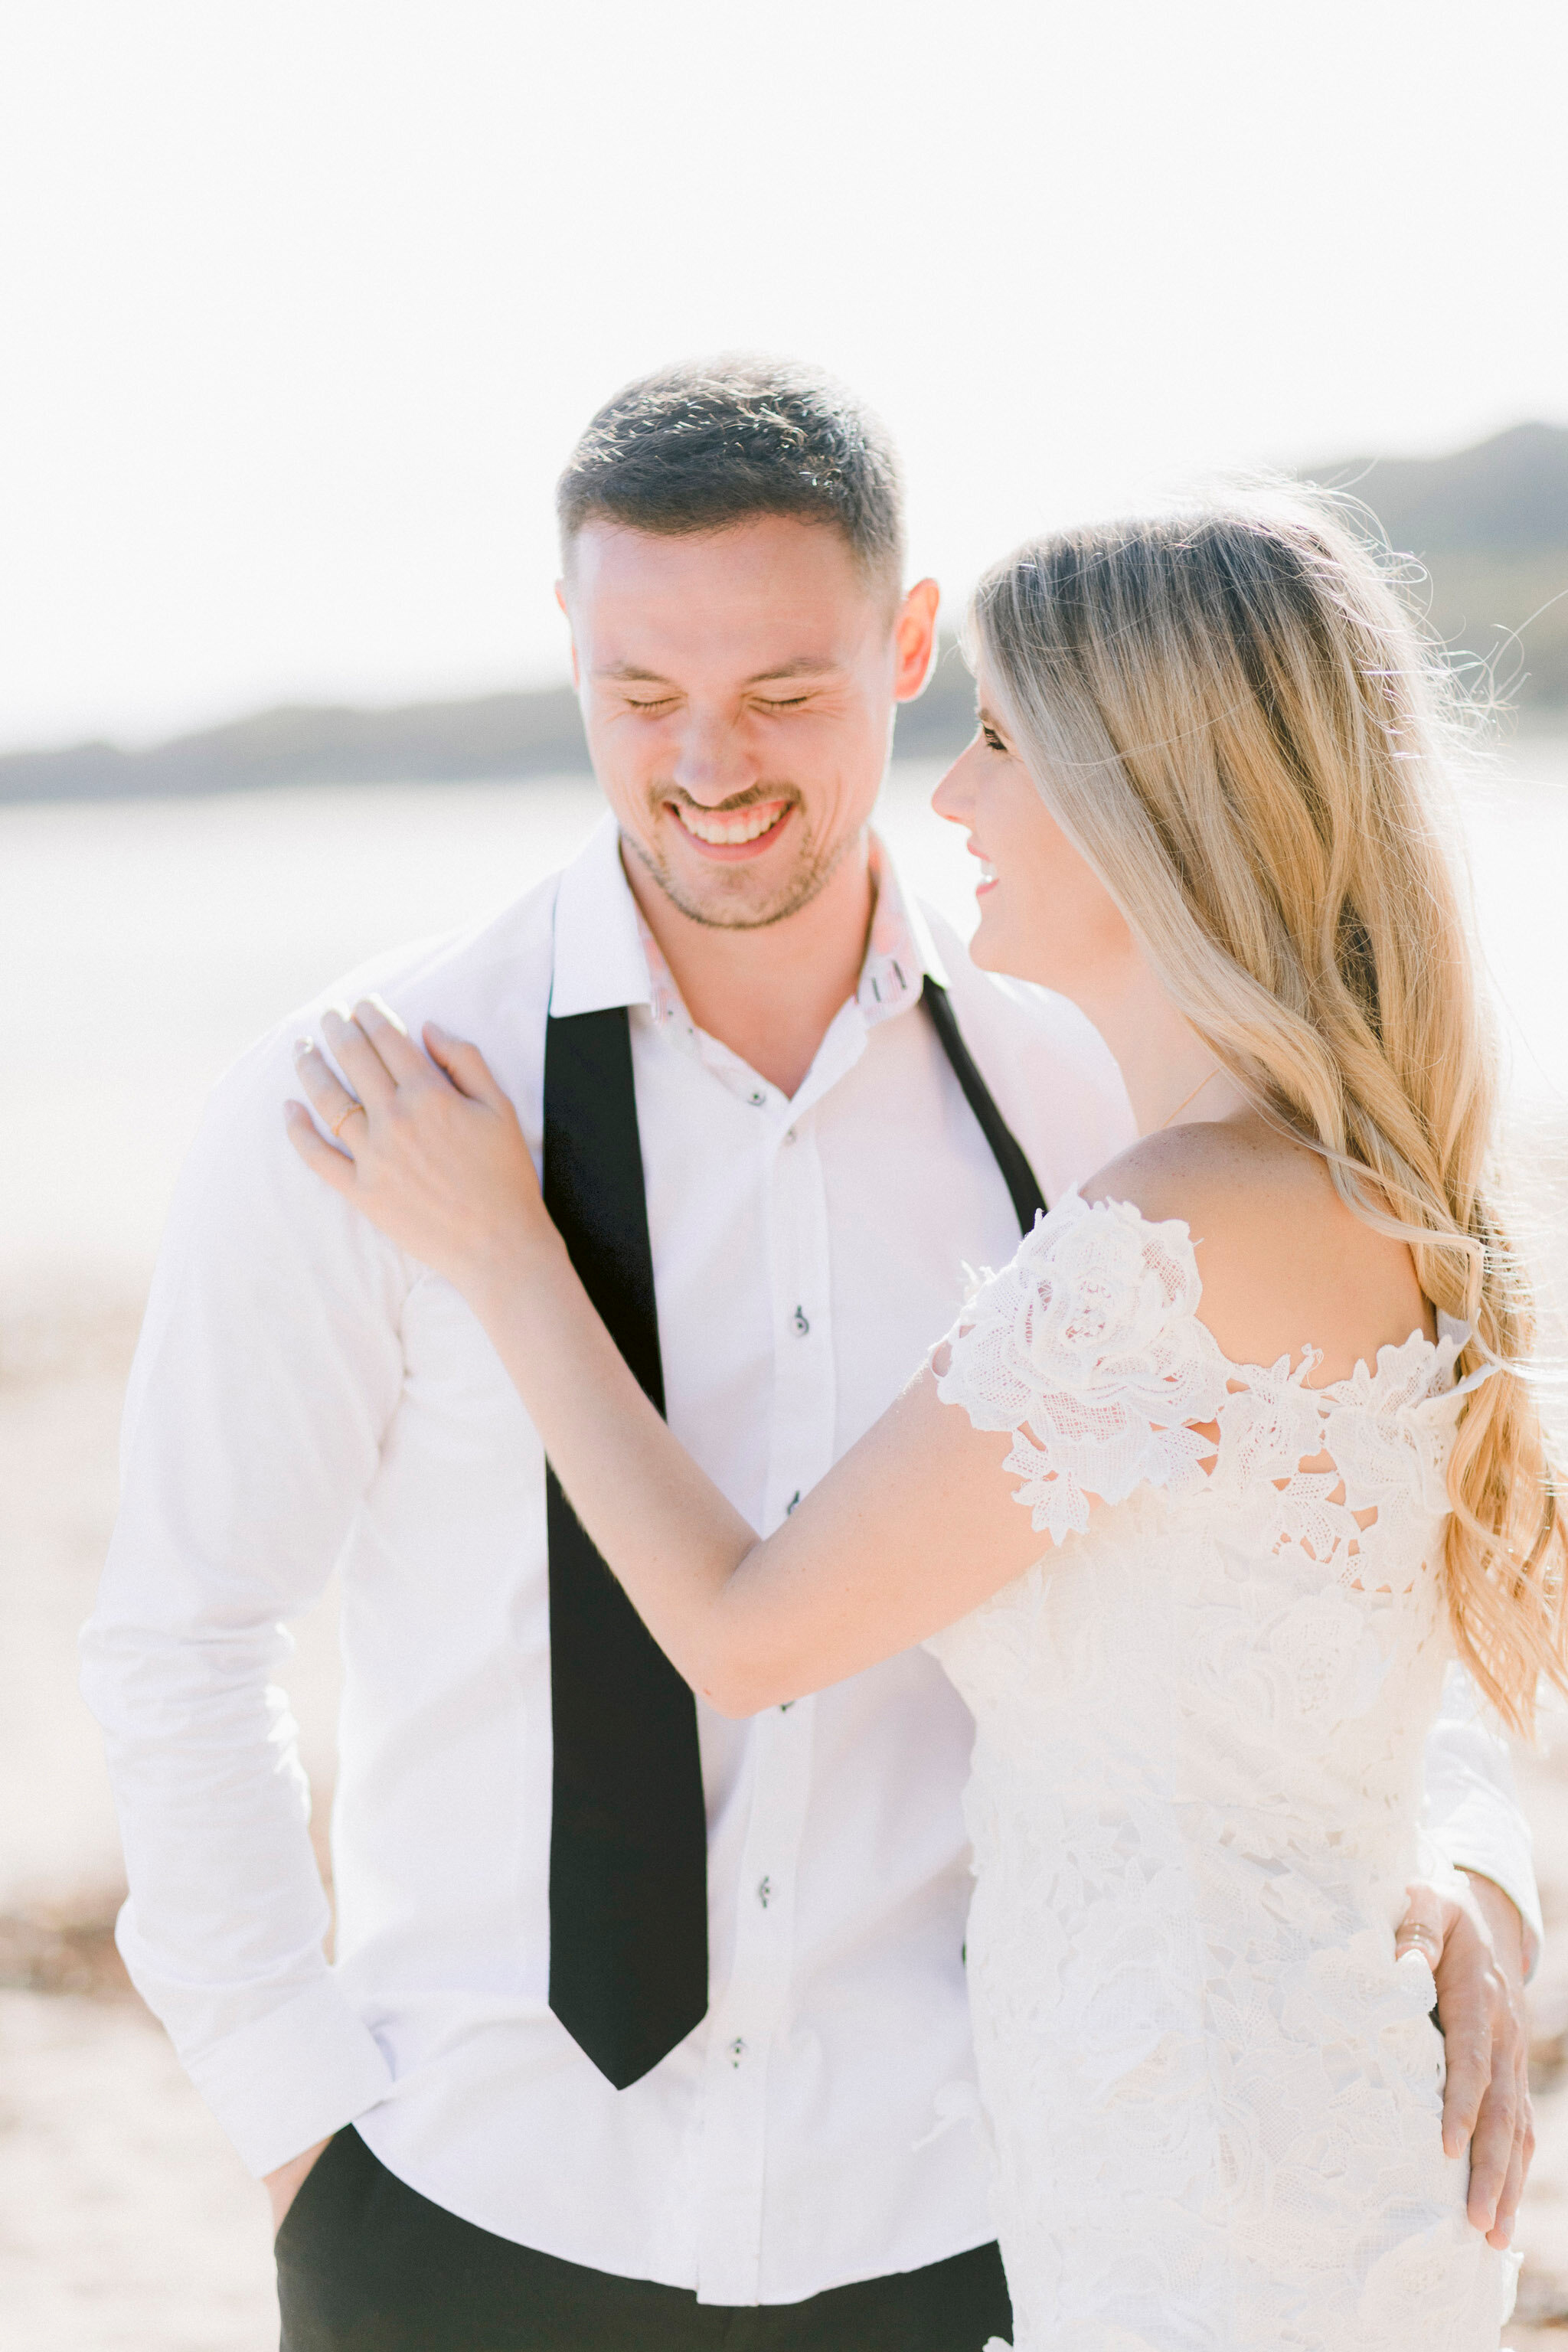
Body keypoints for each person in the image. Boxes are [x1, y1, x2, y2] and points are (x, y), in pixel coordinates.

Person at [87, 364, 1537, 2352]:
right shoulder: (377, 1096)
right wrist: (296, 2132)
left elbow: (1345, 1522)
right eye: (640, 693)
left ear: (908, 646)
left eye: (781, 693)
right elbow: (187, 1631)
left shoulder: (1086, 1081)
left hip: (972, 2227)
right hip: (472, 2200)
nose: (709, 764)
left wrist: (1455, 1867)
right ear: (572, 654)